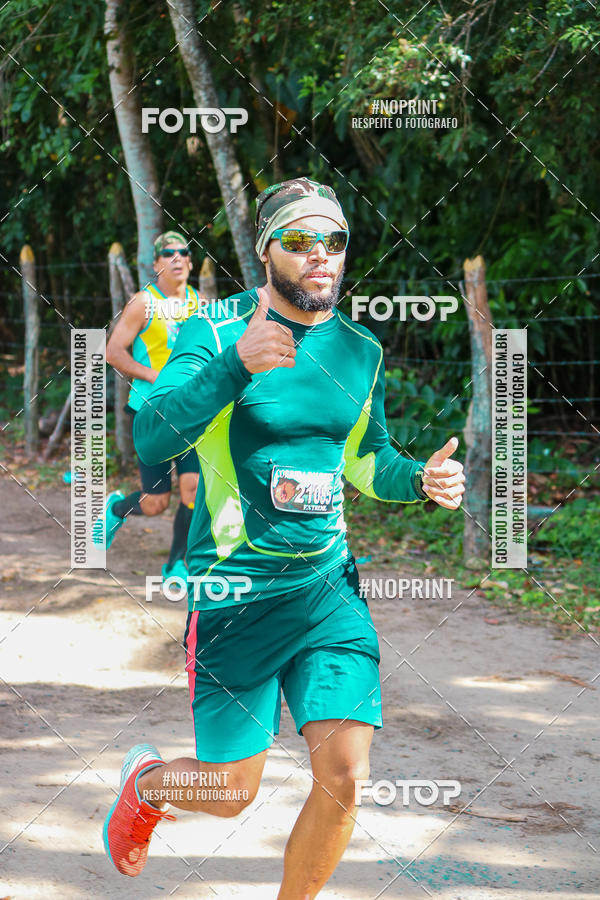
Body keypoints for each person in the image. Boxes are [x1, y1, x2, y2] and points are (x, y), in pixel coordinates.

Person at [102, 179, 465, 898]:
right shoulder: (210, 330)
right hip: (236, 590)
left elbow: (366, 459)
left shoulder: (360, 348)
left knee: (344, 777)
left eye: (333, 240)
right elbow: (153, 434)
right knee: (232, 791)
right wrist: (236, 364)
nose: (320, 255)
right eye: (300, 241)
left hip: (329, 590)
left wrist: (419, 481)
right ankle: (146, 786)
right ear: (266, 250)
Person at [94, 231, 203, 584]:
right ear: (156, 264)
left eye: (183, 253)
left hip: (189, 412)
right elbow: (113, 352)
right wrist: (156, 377)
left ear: (190, 262)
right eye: (167, 253)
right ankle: (115, 510)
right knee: (156, 503)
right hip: (150, 411)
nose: (176, 258)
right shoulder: (144, 302)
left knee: (193, 490)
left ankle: (176, 565)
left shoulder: (199, 303)